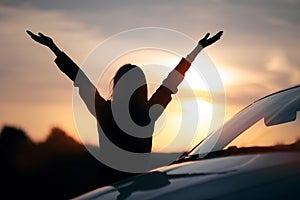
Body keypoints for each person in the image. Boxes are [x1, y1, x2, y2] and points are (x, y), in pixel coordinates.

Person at [26, 30, 223, 172]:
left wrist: (53, 47)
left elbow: (80, 80)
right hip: (136, 186)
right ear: (141, 87)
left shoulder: (104, 110)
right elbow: (171, 82)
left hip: (107, 187)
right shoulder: (147, 114)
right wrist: (197, 49)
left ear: (117, 86)